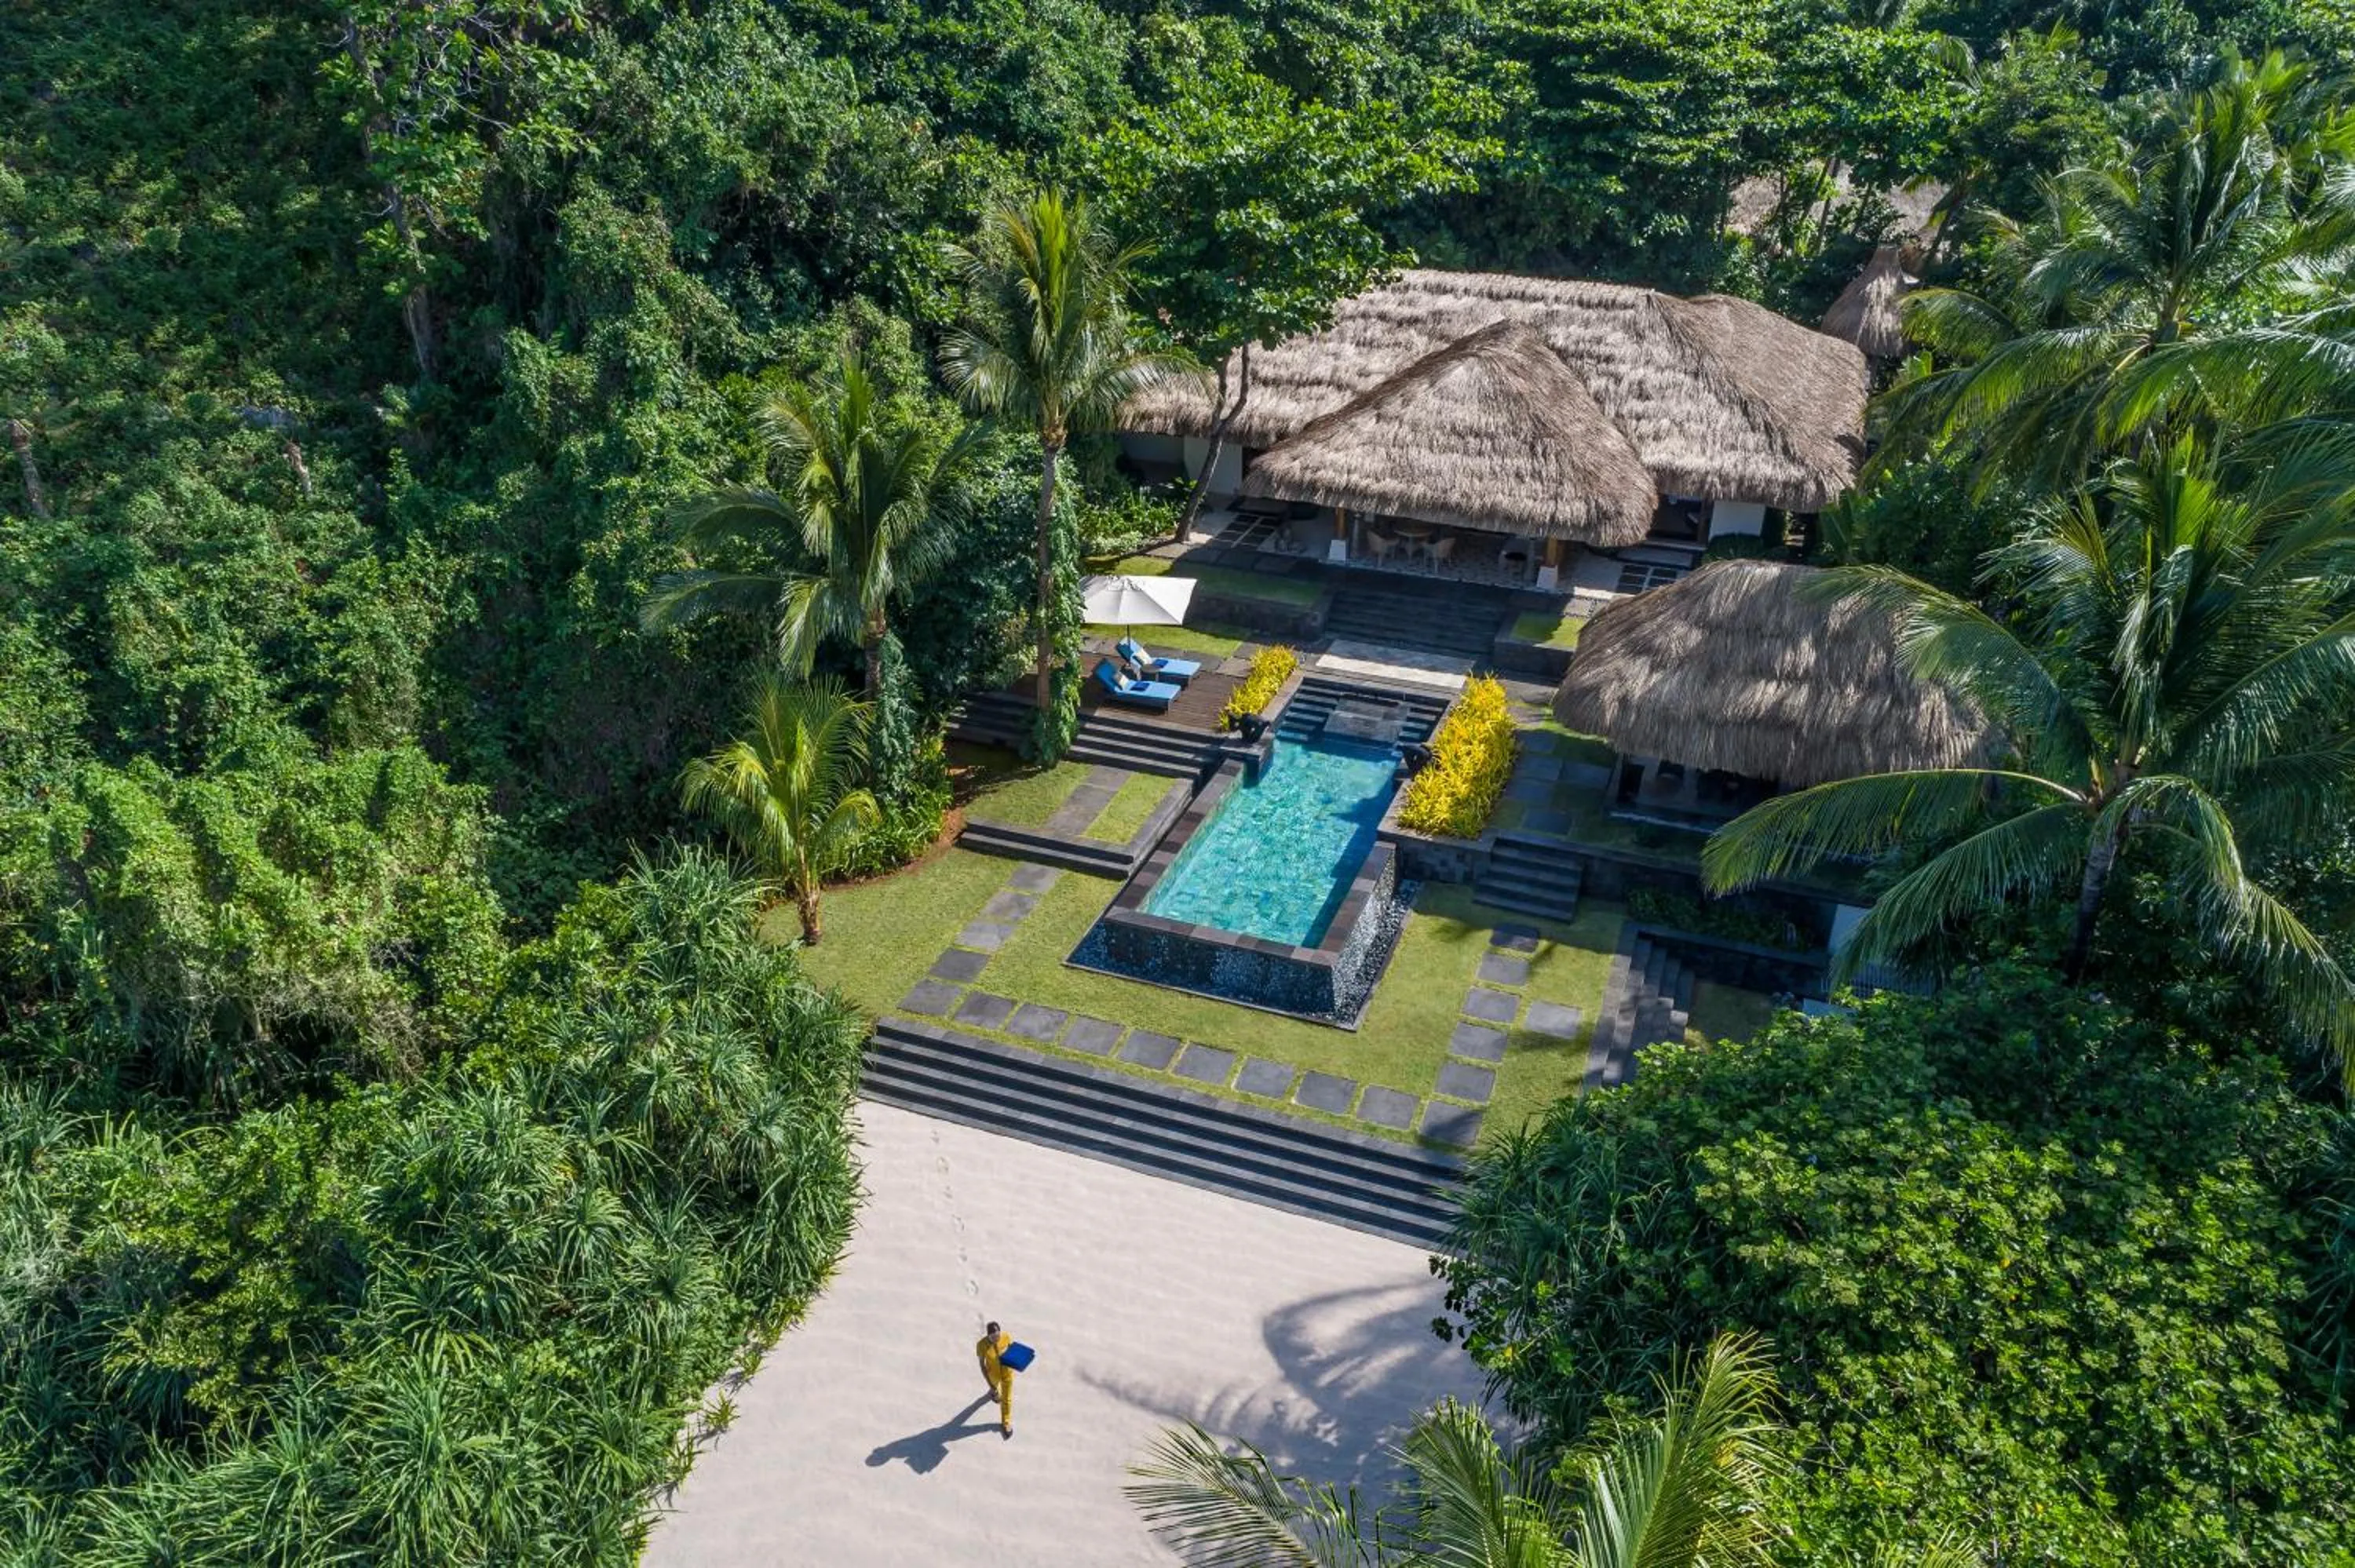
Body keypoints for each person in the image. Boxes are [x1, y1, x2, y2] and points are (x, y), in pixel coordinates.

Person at [976, 1321, 1017, 1438]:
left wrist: (1018, 1362)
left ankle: (1006, 1422)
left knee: (1007, 1398)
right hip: (993, 1374)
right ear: (988, 1335)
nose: (996, 1338)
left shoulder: (1006, 1337)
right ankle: (993, 1393)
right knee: (994, 1389)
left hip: (1007, 1373)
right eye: (993, 1337)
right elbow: (982, 1366)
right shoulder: (981, 1345)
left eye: (998, 1335)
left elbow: (1013, 1351)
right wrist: (990, 1385)